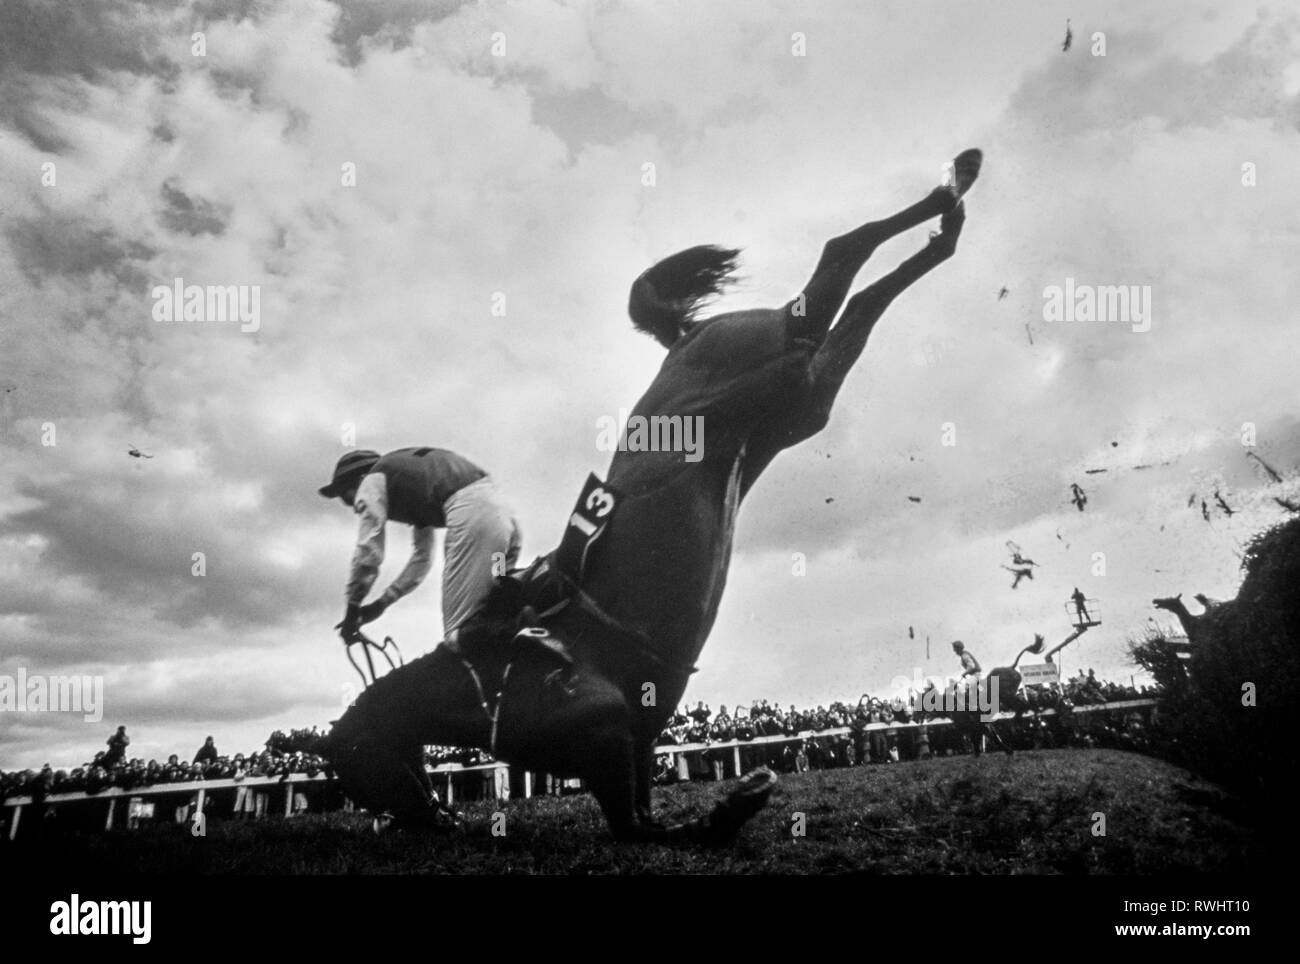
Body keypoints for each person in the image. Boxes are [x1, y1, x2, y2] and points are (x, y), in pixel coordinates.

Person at [319, 447, 522, 643]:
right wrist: (381, 604)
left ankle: (518, 628)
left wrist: (352, 608)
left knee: (457, 634)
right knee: (497, 591)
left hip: (477, 520)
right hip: (504, 524)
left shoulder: (371, 479)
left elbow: (369, 552)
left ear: (359, 480)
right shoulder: (413, 485)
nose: (353, 507)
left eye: (347, 498)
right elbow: (422, 558)